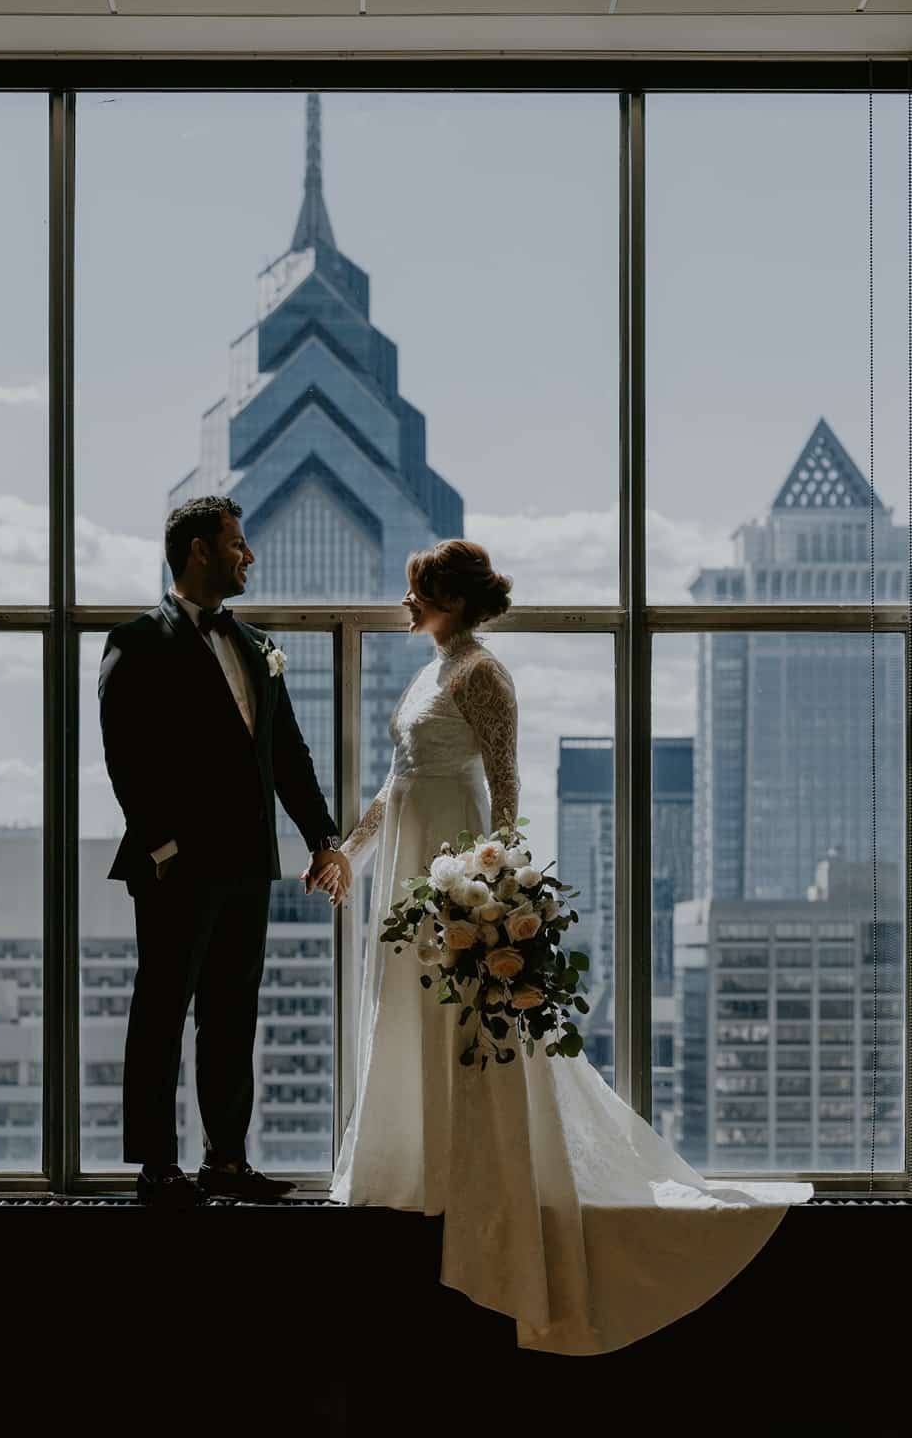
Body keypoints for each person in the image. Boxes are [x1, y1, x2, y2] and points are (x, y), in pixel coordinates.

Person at [330, 537, 811, 1354]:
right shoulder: (429, 668)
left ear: (447, 594)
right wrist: (352, 851)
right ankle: (417, 1162)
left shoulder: (483, 673)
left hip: (451, 856)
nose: (405, 602)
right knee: (407, 1011)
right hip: (408, 852)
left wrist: (497, 882)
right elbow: (393, 779)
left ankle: (471, 1172)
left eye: (417, 591)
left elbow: (507, 785)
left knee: (464, 1019)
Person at [99, 495, 351, 1207]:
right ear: (199, 550)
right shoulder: (138, 638)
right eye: (236, 544)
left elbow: (287, 752)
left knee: (234, 1014)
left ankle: (226, 1162)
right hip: (176, 863)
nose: (249, 556)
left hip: (248, 863)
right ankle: (156, 1167)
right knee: (161, 1011)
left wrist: (321, 836)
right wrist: (163, 845)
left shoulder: (256, 644)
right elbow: (125, 752)